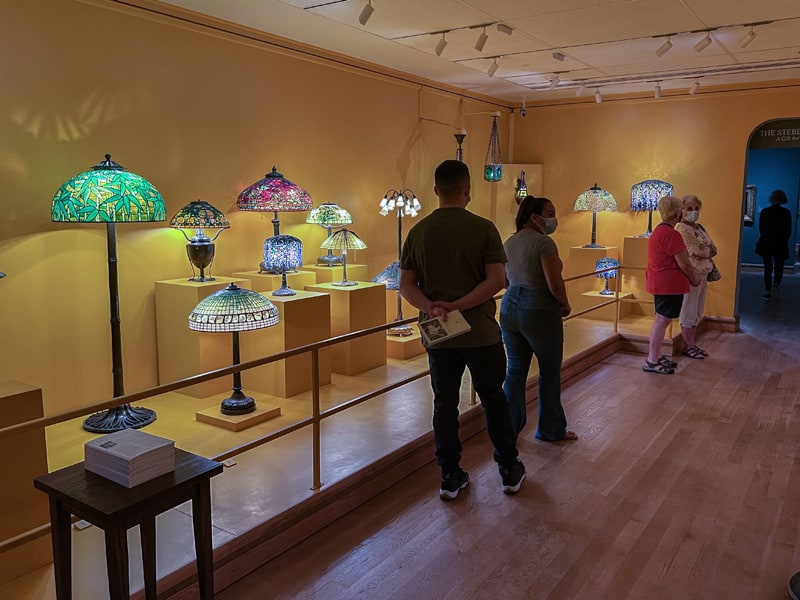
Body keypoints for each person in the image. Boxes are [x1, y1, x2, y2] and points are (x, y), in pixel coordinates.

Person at [399, 159, 525, 500]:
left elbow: (406, 285)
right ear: (467, 189)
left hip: (439, 336)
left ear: (437, 190)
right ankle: (509, 468)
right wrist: (460, 305)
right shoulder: (483, 229)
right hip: (481, 333)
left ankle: (450, 475)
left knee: (444, 405)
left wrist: (433, 307)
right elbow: (496, 280)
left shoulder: (418, 232)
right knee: (493, 400)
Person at [500, 195, 577, 442]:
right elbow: (554, 283)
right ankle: (550, 429)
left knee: (515, 370)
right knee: (549, 372)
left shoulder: (510, 242)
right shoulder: (544, 244)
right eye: (550, 213)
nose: (554, 218)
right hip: (538, 307)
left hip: (509, 306)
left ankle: (508, 430)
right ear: (535, 217)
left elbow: (504, 280)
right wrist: (564, 303)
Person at [643, 195, 701, 374]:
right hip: (668, 284)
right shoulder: (671, 234)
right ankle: (652, 359)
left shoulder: (659, 231)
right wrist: (693, 278)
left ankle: (656, 355)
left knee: (662, 320)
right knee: (662, 321)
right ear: (677, 212)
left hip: (662, 282)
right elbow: (684, 262)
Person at [675, 194, 717, 359]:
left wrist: (706, 251)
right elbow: (698, 250)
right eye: (689, 209)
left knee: (698, 311)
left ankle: (690, 343)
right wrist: (706, 251)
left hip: (704, 272)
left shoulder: (699, 227)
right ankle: (688, 345)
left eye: (696, 208)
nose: (693, 212)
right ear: (682, 210)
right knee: (689, 310)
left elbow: (713, 248)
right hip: (691, 273)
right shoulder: (682, 228)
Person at [755, 188, 792, 300]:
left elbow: (761, 229)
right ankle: (776, 285)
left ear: (772, 199)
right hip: (780, 243)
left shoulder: (765, 212)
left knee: (768, 267)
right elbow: (788, 231)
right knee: (779, 266)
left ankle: (768, 290)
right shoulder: (786, 213)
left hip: (766, 243)